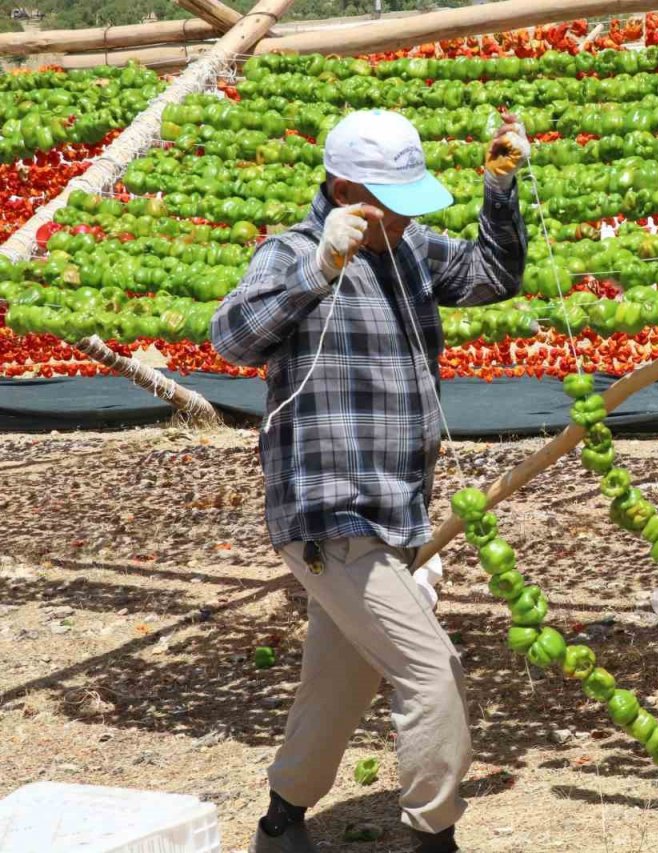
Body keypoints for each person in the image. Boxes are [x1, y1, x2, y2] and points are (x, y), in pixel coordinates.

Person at [210, 108, 530, 853]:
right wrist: (316, 271)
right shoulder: (289, 251)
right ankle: (432, 835)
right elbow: (231, 337)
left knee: (341, 674)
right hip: (328, 509)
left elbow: (493, 275)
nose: (400, 217)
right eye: (389, 200)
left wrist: (500, 183)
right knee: (431, 670)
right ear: (345, 186)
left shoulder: (410, 247)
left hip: (394, 507)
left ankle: (281, 820)